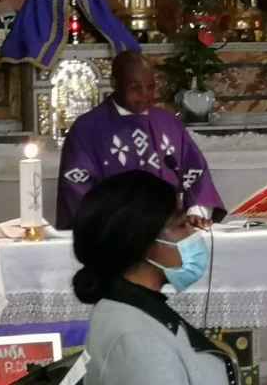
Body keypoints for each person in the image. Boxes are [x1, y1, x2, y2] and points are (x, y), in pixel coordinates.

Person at [74, 171, 239, 385]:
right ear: (143, 242)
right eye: (181, 225)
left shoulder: (125, 308)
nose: (193, 234)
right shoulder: (139, 340)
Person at [56, 51, 225, 230]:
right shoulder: (87, 129)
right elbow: (76, 187)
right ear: (114, 83)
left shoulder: (168, 123)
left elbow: (196, 172)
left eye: (150, 87)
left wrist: (195, 212)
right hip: (114, 233)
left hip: (170, 230)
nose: (145, 95)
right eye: (135, 88)